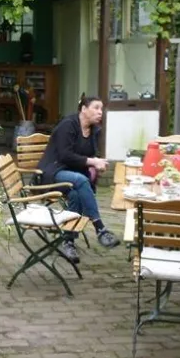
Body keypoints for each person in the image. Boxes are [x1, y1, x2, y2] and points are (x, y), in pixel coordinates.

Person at [38, 96, 120, 260]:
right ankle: (100, 228)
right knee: (81, 181)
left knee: (76, 194)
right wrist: (92, 162)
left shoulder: (94, 130)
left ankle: (68, 242)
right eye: (96, 107)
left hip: (73, 176)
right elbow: (65, 155)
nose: (100, 112)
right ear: (83, 109)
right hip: (53, 173)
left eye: (101, 108)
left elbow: (89, 156)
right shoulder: (67, 125)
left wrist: (96, 167)